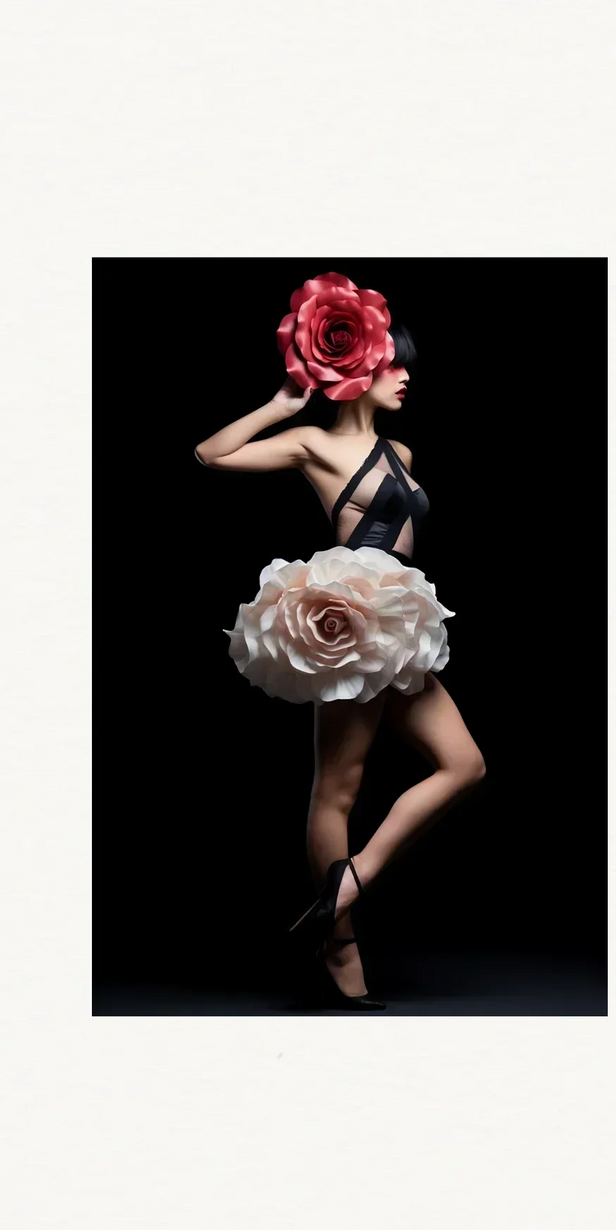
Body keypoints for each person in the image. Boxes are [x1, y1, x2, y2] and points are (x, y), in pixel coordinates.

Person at [195, 289, 486, 1011]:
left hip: (397, 621)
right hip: (347, 621)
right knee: (338, 788)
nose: (406, 377)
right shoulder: (316, 444)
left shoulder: (403, 449)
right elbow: (210, 454)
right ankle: (341, 943)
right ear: (361, 369)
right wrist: (281, 404)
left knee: (464, 765)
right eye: (394, 364)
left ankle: (348, 881)